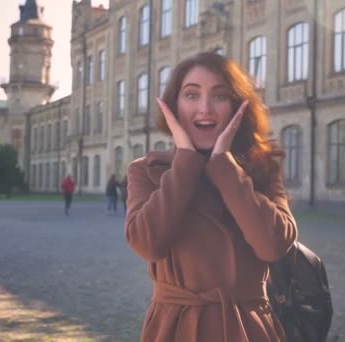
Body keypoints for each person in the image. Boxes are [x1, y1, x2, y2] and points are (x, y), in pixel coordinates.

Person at [125, 52, 298, 341]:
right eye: (191, 95)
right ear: (173, 106)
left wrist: (224, 166)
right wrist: (185, 163)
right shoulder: (146, 171)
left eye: (219, 96)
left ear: (237, 106)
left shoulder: (262, 168)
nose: (205, 108)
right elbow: (146, 243)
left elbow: (273, 246)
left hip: (248, 328)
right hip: (175, 328)